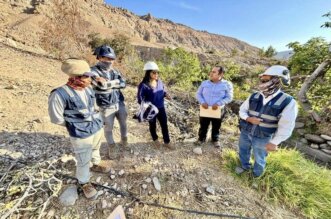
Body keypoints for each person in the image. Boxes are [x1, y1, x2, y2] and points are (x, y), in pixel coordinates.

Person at [48, 59, 111, 199]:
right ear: (76, 77)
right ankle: (84, 183)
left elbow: (96, 103)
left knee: (95, 148)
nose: (90, 78)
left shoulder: (88, 88)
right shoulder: (59, 94)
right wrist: (74, 124)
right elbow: (56, 118)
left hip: (95, 127)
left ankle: (95, 164)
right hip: (81, 134)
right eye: (87, 76)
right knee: (83, 160)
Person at [236, 65, 298, 177]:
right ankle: (244, 166)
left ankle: (256, 176)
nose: (262, 83)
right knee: (243, 150)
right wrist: (248, 118)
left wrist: (275, 142)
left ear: (276, 81)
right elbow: (242, 111)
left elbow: (287, 125)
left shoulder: (288, 101)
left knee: (259, 157)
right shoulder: (254, 96)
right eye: (261, 80)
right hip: (246, 131)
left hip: (263, 137)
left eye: (265, 80)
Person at [90, 45, 128, 159]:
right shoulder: (93, 71)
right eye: (106, 58)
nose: (109, 61)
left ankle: (124, 140)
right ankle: (112, 146)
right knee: (108, 128)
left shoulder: (115, 71)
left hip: (119, 102)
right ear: (99, 57)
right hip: (105, 105)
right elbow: (101, 86)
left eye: (111, 59)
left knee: (123, 123)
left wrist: (111, 83)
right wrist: (115, 83)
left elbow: (124, 84)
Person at [137, 61, 174, 149]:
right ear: (148, 73)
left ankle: (167, 142)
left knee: (164, 124)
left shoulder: (159, 82)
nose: (156, 74)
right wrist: (147, 106)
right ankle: (155, 140)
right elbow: (140, 99)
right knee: (152, 125)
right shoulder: (143, 85)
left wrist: (166, 95)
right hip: (151, 110)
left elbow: (163, 91)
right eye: (154, 72)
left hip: (161, 107)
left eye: (157, 72)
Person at [196, 66, 233, 147]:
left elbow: (229, 97)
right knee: (203, 125)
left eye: (214, 72)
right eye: (211, 71)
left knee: (216, 126)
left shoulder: (227, 84)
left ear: (221, 74)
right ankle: (201, 139)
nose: (211, 73)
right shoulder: (204, 83)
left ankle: (215, 140)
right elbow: (198, 94)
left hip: (218, 109)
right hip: (205, 108)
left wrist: (219, 103)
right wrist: (202, 102)